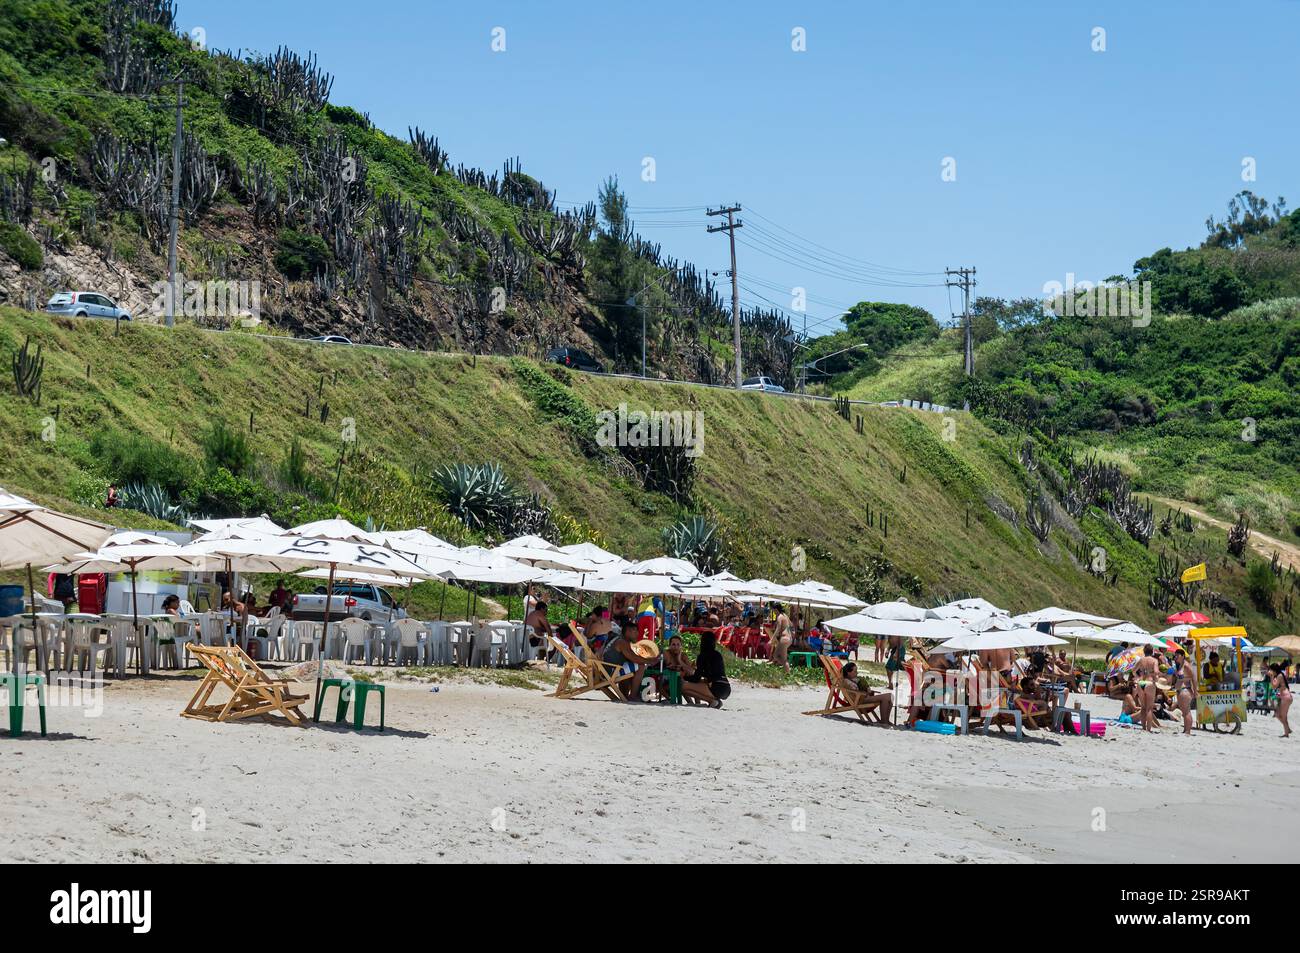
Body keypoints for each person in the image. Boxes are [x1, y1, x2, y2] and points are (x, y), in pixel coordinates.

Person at [681, 630, 730, 708]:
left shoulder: (702, 656)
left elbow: (696, 678)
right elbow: (714, 672)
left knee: (683, 687)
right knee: (698, 683)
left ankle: (712, 701)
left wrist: (684, 677)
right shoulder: (717, 655)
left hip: (715, 687)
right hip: (726, 688)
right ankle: (715, 701)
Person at [601, 629, 653, 701]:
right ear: (628, 632)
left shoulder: (618, 639)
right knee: (641, 666)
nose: (637, 634)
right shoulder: (622, 642)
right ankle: (633, 696)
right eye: (635, 632)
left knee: (628, 667)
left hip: (606, 670)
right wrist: (650, 661)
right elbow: (634, 658)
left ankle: (625, 695)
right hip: (610, 673)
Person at [1135, 645, 1160, 732]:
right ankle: (1148, 729)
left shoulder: (1141, 660)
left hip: (1141, 682)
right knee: (1149, 708)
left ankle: (1143, 727)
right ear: (1152, 651)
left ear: (1144, 651)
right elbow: (1156, 672)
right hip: (1149, 683)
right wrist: (1155, 675)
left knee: (1143, 707)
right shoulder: (1154, 660)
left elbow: (1134, 670)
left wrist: (1138, 676)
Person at [1172, 649, 1196, 736]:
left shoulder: (1186, 665)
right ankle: (1186, 730)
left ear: (1182, 656)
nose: (1176, 657)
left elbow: (1193, 678)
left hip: (1185, 690)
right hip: (1180, 690)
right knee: (1184, 712)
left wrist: (1195, 691)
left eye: (1177, 655)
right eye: (1175, 655)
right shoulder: (1179, 665)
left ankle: (1188, 731)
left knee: (1186, 712)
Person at [1269, 662, 1292, 738]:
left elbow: (1274, 686)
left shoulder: (1279, 675)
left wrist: (1271, 677)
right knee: (1278, 714)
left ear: (1274, 670)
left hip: (1286, 697)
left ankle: (1286, 733)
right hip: (1286, 696)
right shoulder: (1280, 675)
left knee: (1282, 716)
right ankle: (1287, 729)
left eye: (1271, 670)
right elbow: (1275, 685)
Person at [770, 603, 793, 672]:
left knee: (783, 659)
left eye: (774, 611)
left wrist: (772, 639)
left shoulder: (779, 617)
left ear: (776, 610)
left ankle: (787, 670)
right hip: (789, 638)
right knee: (776, 655)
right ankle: (787, 669)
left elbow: (778, 629)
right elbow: (791, 625)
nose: (774, 612)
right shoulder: (785, 616)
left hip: (784, 638)